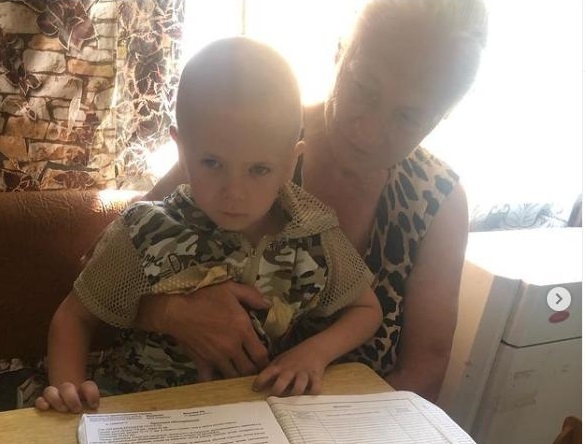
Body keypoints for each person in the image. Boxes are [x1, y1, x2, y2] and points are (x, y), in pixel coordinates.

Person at [134, 0, 488, 403]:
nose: (369, 132)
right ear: (339, 53)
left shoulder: (437, 202)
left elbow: (423, 371)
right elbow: (100, 266)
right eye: (363, 88)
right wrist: (169, 312)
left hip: (349, 430)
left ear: (442, 117)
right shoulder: (251, 136)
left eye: (408, 117)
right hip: (197, 411)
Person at [35, 37, 382, 413]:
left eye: (258, 170)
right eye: (212, 163)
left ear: (289, 164)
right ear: (182, 150)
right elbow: (74, 317)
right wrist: (69, 392)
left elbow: (367, 310)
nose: (234, 193)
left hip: (257, 419)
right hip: (142, 414)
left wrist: (314, 353)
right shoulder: (143, 230)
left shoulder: (314, 234)